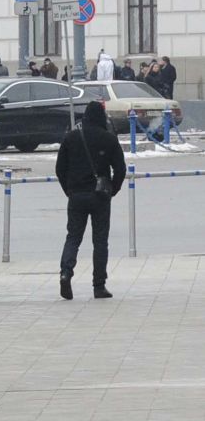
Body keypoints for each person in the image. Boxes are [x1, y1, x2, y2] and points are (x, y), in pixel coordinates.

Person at [55, 100, 126, 299]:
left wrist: (69, 189)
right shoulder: (108, 139)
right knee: (100, 241)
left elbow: (60, 168)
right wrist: (113, 189)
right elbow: (120, 169)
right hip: (100, 196)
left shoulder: (71, 137)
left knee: (73, 237)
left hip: (76, 195)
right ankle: (99, 285)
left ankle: (65, 273)